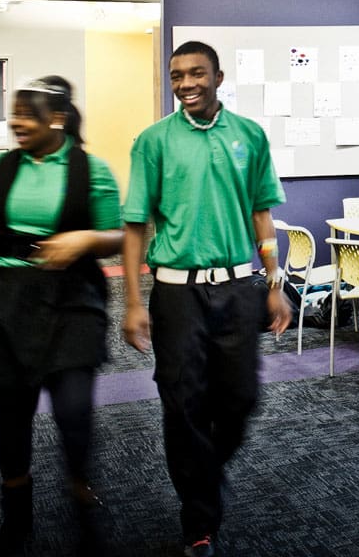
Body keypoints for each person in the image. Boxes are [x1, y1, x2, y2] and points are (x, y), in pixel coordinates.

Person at [121, 41, 291, 557]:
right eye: (177, 76)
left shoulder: (249, 136)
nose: (186, 84)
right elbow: (133, 226)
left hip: (239, 287)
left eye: (197, 74)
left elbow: (262, 214)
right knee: (183, 404)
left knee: (240, 399)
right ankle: (199, 521)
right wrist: (132, 301)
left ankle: (206, 474)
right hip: (176, 293)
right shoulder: (153, 142)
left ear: (218, 77)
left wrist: (274, 282)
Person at [0, 76, 123, 556]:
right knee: (13, 414)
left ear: (58, 119)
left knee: (73, 410)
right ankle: (16, 515)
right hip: (5, 301)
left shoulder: (93, 170)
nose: (16, 123)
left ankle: (81, 493)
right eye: (14, 114)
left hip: (72, 303)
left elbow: (117, 235)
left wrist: (85, 239)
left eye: (27, 115)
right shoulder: (1, 168)